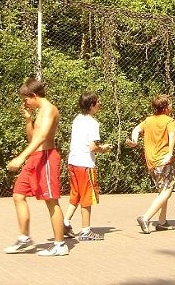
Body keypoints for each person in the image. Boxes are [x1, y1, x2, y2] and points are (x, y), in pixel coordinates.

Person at [4, 78, 68, 256]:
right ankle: (24, 238)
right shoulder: (39, 111)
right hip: (35, 158)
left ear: (33, 95)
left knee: (51, 200)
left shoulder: (49, 110)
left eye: (25, 99)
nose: (25, 103)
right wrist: (27, 120)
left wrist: (20, 158)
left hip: (46, 158)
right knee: (18, 195)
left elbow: (42, 138)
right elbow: (33, 138)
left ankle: (60, 245)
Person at [63, 92, 112, 241]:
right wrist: (103, 148)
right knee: (86, 197)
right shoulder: (93, 123)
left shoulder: (77, 119)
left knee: (76, 194)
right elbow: (92, 147)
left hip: (73, 162)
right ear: (91, 105)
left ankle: (65, 222)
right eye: (98, 102)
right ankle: (86, 231)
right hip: (85, 164)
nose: (100, 104)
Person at [126, 95, 175, 234]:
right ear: (166, 108)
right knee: (167, 191)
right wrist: (170, 153)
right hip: (164, 161)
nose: (171, 107)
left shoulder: (148, 120)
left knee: (163, 191)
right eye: (170, 105)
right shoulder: (169, 120)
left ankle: (162, 222)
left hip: (152, 162)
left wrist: (134, 141)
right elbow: (172, 136)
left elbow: (136, 129)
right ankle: (146, 217)